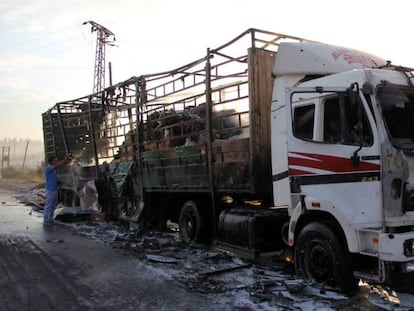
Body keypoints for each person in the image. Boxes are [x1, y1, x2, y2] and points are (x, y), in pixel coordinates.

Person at [43, 154, 70, 226]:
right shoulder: (49, 168)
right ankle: (46, 220)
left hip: (54, 190)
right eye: (55, 160)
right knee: (49, 206)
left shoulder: (54, 170)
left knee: (53, 206)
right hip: (50, 190)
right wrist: (65, 159)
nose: (56, 161)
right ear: (51, 162)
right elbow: (58, 165)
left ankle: (50, 219)